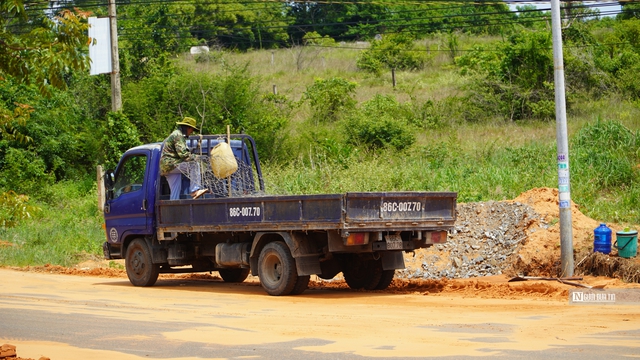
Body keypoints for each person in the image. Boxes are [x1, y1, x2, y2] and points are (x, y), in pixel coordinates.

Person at [160, 117, 208, 200]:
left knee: (175, 193)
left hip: (167, 166)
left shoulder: (177, 135)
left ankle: (173, 210)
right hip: (171, 164)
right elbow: (184, 155)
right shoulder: (178, 135)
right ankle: (195, 190)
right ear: (188, 127)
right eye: (192, 129)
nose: (192, 132)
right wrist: (199, 158)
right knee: (194, 164)